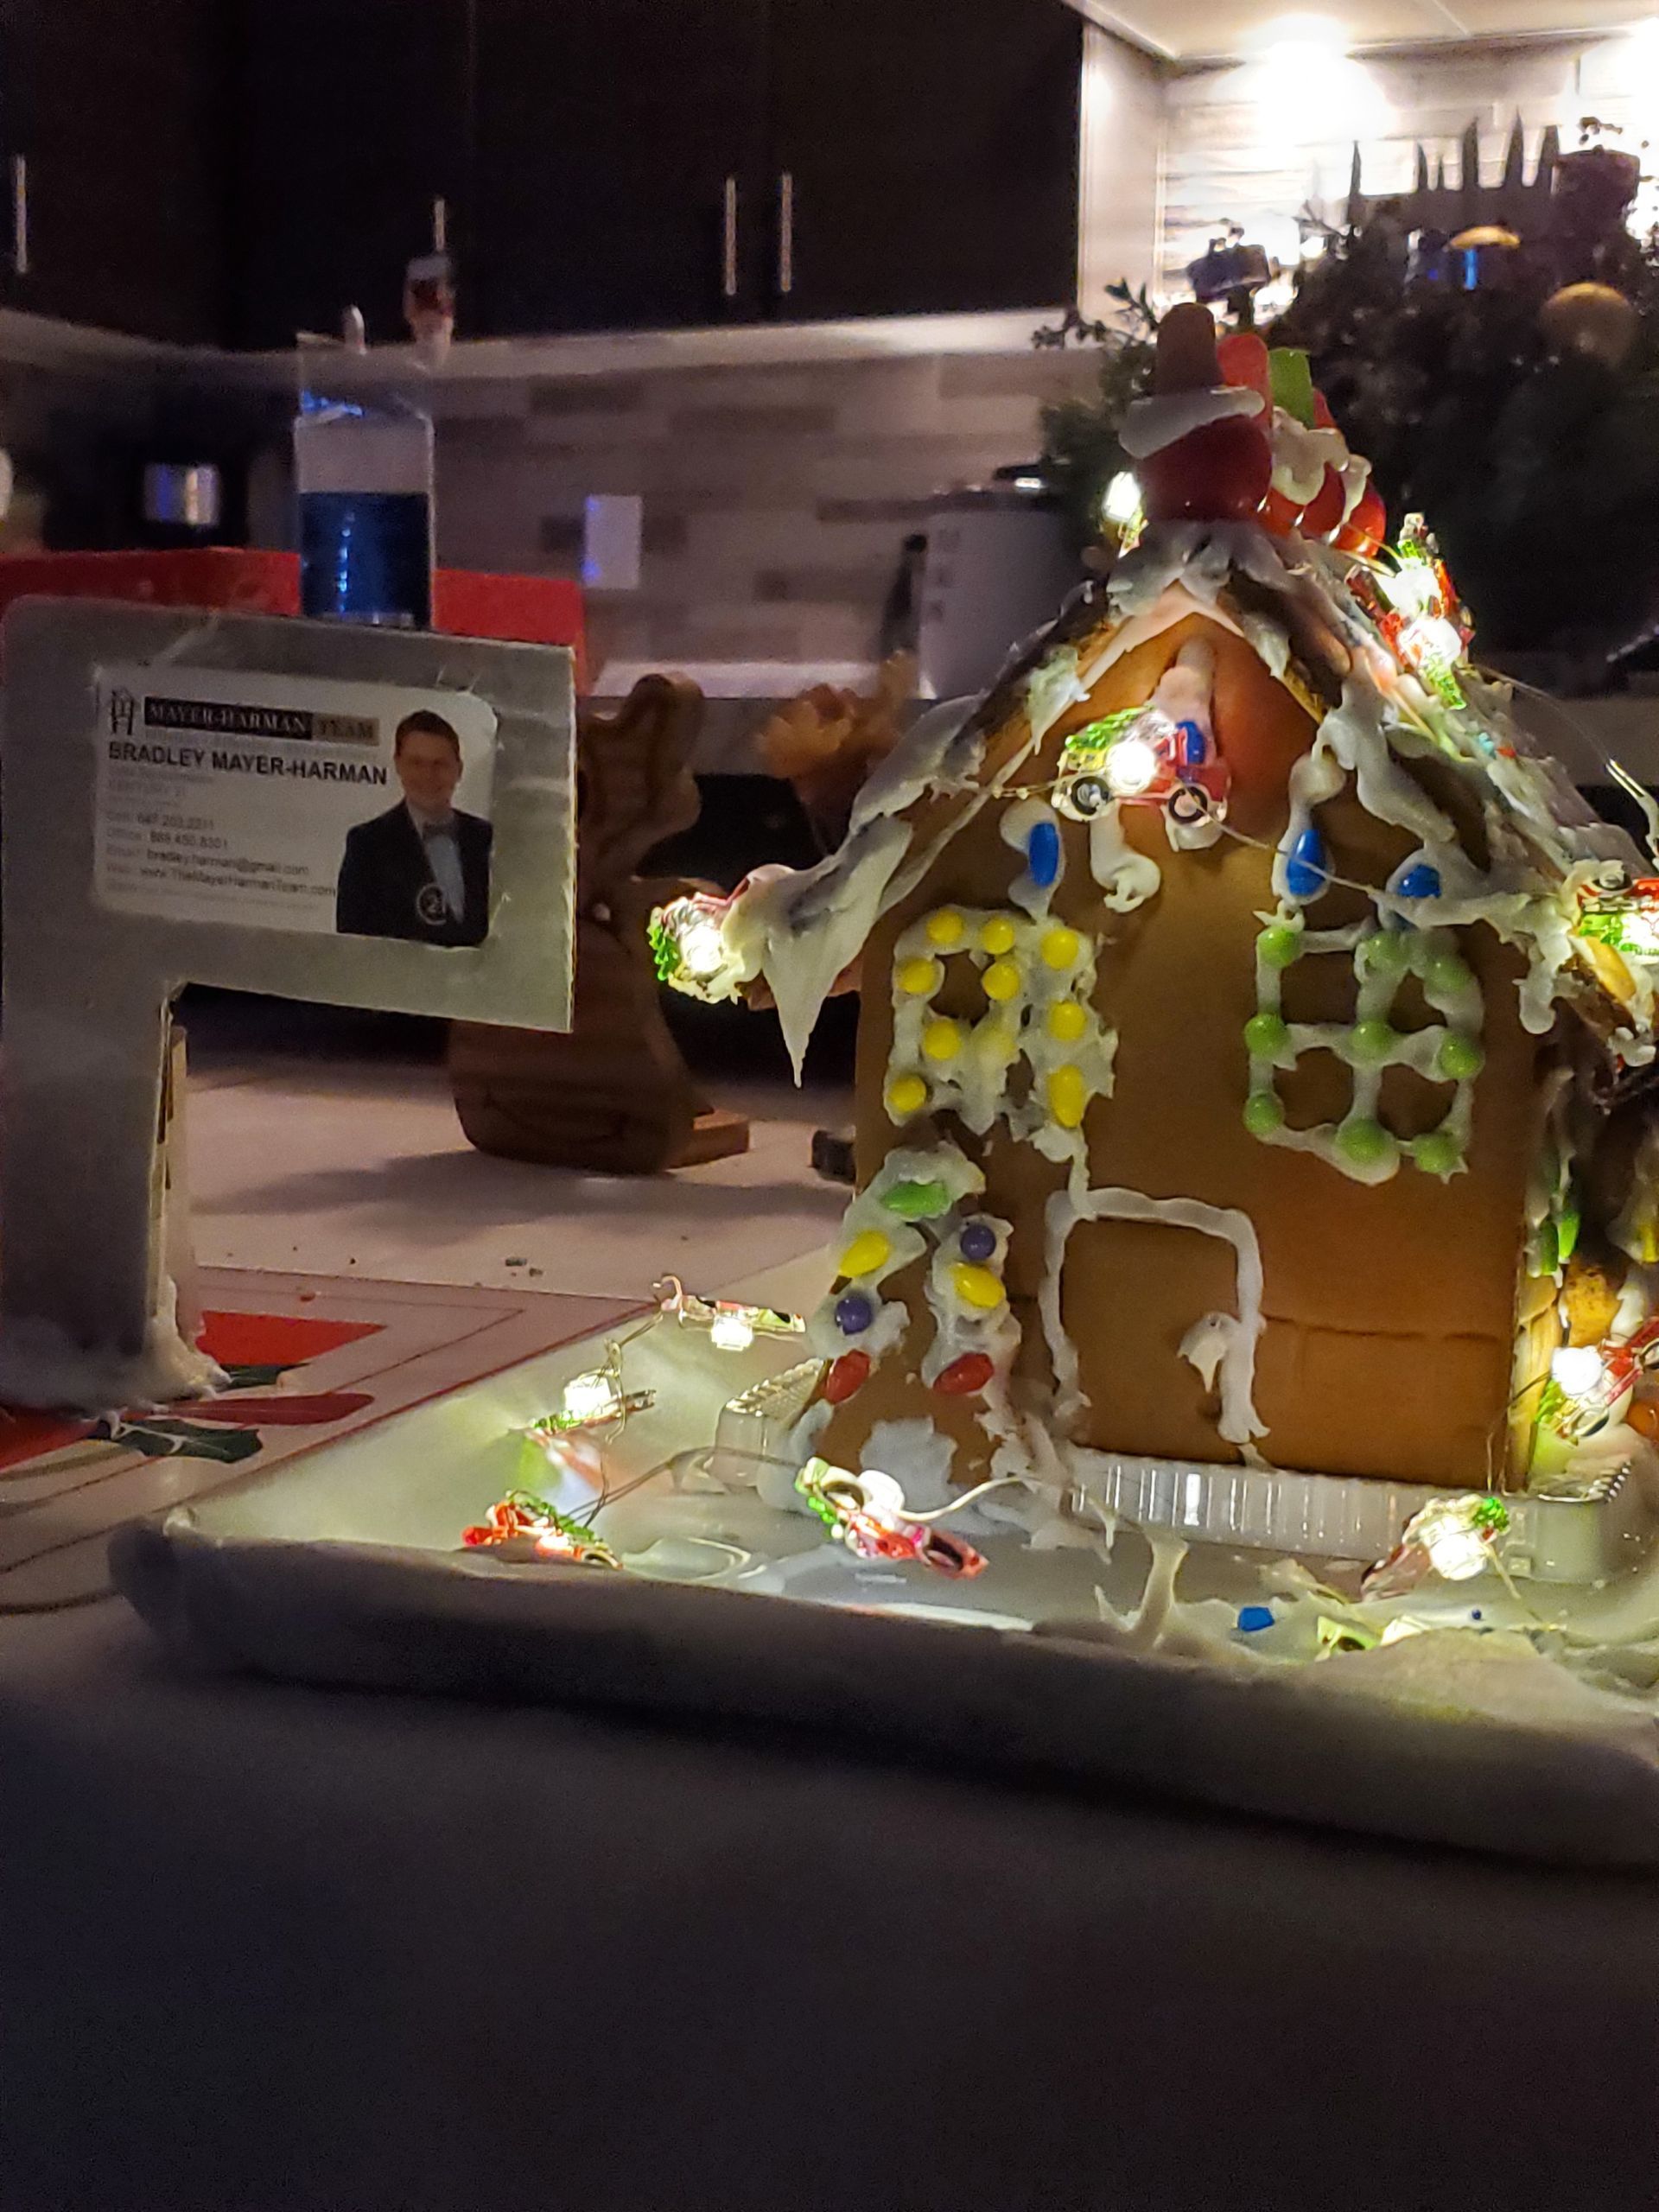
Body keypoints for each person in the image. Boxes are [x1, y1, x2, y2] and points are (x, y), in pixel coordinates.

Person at [335, 709, 493, 944]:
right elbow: (354, 947)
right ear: (398, 765)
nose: (428, 775)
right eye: (416, 763)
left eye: (440, 764)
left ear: (458, 769)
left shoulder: (486, 839)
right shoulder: (367, 844)